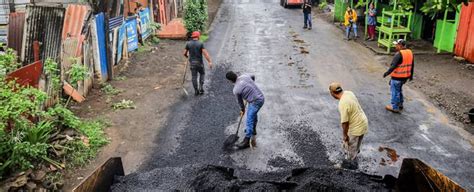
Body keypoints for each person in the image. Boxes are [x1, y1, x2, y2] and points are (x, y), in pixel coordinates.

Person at [329, 82, 368, 161]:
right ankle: (356, 152)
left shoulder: (343, 103)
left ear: (332, 93)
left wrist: (345, 135)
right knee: (357, 144)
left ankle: (351, 164)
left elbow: (345, 123)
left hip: (356, 128)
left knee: (350, 148)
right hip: (363, 122)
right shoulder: (349, 93)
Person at [226, 71, 265, 149]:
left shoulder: (236, 89)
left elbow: (240, 102)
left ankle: (247, 141)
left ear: (230, 81)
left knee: (249, 119)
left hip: (255, 102)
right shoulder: (245, 76)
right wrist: (250, 85)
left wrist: (242, 109)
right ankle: (253, 129)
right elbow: (253, 76)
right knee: (253, 114)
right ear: (236, 75)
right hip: (261, 97)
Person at [383, 39, 414, 113]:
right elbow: (412, 65)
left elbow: (393, 66)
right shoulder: (410, 52)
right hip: (405, 76)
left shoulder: (399, 54)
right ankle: (400, 104)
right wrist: (411, 76)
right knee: (399, 90)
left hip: (397, 77)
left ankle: (395, 107)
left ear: (400, 45)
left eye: (396, 45)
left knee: (395, 92)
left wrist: (386, 73)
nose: (395, 46)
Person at [184, 31, 213, 96]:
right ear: (198, 36)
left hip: (192, 64)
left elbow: (184, 53)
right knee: (202, 73)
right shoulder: (200, 43)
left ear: (193, 37)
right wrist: (210, 62)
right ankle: (201, 87)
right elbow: (205, 54)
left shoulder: (188, 43)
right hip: (199, 63)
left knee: (194, 77)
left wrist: (187, 56)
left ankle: (196, 91)